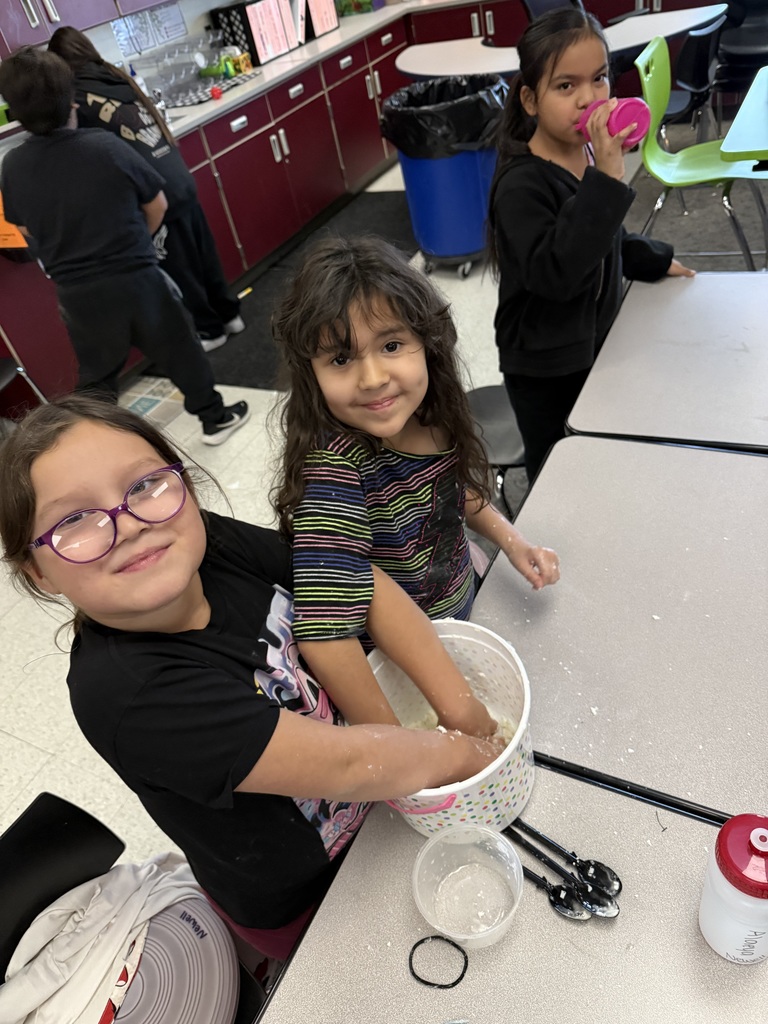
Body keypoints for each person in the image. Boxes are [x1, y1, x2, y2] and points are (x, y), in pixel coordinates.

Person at [0, 395, 506, 961]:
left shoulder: (203, 543)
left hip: (385, 788)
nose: (130, 525)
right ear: (38, 570)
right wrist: (468, 756)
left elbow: (357, 584)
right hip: (309, 891)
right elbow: (347, 764)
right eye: (74, 520)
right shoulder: (126, 695)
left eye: (144, 485)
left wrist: (467, 721)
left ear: (184, 487)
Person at [271, 234, 560, 729]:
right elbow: (326, 635)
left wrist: (511, 541)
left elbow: (452, 495)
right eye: (341, 359)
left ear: (428, 341)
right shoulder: (335, 472)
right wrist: (395, 747)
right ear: (310, 373)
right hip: (402, 667)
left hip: (463, 605)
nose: (372, 378)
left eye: (391, 345)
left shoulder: (433, 411)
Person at [0, 47, 248, 447]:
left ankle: (93, 442)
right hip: (135, 276)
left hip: (77, 293)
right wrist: (138, 243)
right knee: (181, 348)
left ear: (14, 110)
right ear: (71, 99)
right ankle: (213, 418)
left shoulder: (12, 165)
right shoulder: (104, 146)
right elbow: (158, 204)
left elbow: (24, 227)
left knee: (97, 375)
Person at [487, 8, 696, 481]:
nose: (589, 98)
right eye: (566, 86)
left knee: (603, 451)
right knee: (562, 470)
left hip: (591, 342)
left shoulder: (581, 154)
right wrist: (606, 176)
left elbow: (605, 238)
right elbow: (558, 273)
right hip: (544, 365)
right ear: (530, 99)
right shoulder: (521, 185)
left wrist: (653, 259)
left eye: (599, 79)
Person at [48, 26, 244, 354]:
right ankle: (230, 316)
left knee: (180, 268)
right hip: (179, 178)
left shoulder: (76, 98)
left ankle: (211, 330)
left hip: (154, 194)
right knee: (203, 256)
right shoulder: (115, 77)